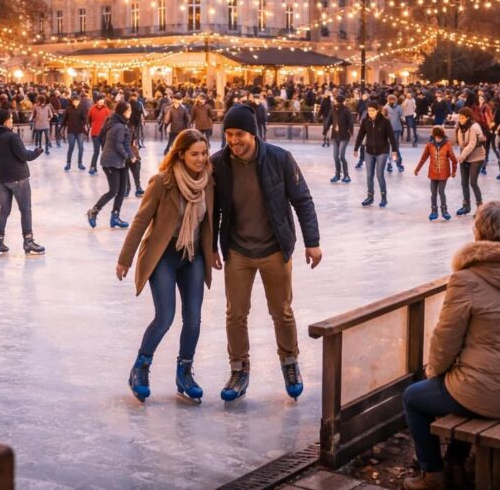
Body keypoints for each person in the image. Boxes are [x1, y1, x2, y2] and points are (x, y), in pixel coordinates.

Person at [402, 202, 500, 490]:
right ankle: (456, 459)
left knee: (414, 397)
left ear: (480, 233)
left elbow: (445, 340)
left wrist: (435, 372)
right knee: (463, 381)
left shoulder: (466, 279)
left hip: (490, 395)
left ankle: (432, 474)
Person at [212, 103, 322, 402]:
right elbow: (212, 212)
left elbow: (303, 200)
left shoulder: (279, 158)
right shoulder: (218, 164)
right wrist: (211, 247)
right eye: (229, 134)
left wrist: (312, 241)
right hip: (238, 251)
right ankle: (239, 369)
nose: (234, 141)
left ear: (254, 133)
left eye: (240, 134)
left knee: (282, 312)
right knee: (235, 314)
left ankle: (290, 362)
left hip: (275, 248)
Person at [116, 129, 218, 403]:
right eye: (194, 154)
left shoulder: (208, 182)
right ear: (181, 154)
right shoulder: (163, 182)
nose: (200, 159)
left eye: (204, 153)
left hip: (193, 255)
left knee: (193, 319)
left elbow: (211, 224)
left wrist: (213, 251)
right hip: (164, 255)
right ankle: (140, 367)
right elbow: (140, 220)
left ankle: (184, 372)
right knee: (165, 317)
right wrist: (125, 258)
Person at [0, 108, 46, 256]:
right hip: (18, 178)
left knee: (4, 210)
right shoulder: (12, 137)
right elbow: (24, 156)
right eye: (10, 118)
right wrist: (37, 151)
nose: (12, 120)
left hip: (0, 180)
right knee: (25, 209)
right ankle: (28, 242)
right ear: (6, 121)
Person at [87, 101, 135, 229]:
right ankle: (93, 211)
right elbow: (118, 145)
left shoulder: (121, 123)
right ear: (123, 112)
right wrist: (128, 156)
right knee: (114, 190)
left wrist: (131, 156)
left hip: (120, 162)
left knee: (122, 190)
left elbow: (126, 144)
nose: (131, 112)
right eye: (129, 110)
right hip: (111, 162)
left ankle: (115, 216)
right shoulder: (118, 125)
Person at [353, 102, 398, 208]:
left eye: (372, 110)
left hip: (382, 151)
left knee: (379, 175)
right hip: (369, 151)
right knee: (369, 175)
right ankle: (370, 197)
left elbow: (392, 137)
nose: (370, 113)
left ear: (377, 110)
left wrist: (394, 151)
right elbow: (360, 135)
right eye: (369, 110)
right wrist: (356, 148)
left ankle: (383, 198)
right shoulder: (365, 121)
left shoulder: (385, 122)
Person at [415, 126, 457, 222]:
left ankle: (444, 210)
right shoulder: (429, 145)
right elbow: (423, 158)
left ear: (442, 135)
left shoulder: (447, 145)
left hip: (443, 173)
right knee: (433, 193)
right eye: (436, 136)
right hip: (433, 173)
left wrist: (454, 171)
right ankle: (434, 211)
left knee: (441, 192)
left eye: (439, 136)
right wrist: (417, 169)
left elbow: (454, 160)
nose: (437, 139)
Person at [454, 108, 486, 216]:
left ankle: (480, 207)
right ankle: (466, 206)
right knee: (464, 182)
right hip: (466, 157)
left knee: (473, 182)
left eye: (462, 118)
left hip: (477, 157)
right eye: (459, 117)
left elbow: (472, 144)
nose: (460, 120)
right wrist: (462, 156)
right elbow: (462, 144)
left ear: (468, 118)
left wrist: (462, 156)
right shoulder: (459, 128)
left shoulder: (474, 127)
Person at [328, 95, 354, 184]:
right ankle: (337, 174)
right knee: (335, 156)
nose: (335, 103)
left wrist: (351, 131)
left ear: (341, 102)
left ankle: (346, 175)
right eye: (335, 101)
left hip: (344, 136)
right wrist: (325, 129)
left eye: (336, 101)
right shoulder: (333, 110)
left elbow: (350, 122)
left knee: (341, 156)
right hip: (335, 136)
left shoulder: (346, 110)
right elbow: (329, 120)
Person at [87, 96, 111, 175]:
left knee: (105, 151)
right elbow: (89, 119)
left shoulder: (106, 109)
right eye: (100, 100)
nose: (101, 102)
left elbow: (110, 120)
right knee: (96, 151)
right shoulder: (92, 109)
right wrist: (92, 126)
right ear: (97, 101)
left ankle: (107, 167)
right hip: (95, 133)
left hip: (104, 134)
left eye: (102, 100)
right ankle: (93, 167)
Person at [63, 95, 87, 171]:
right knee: (71, 147)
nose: (76, 102)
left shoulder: (81, 109)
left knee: (81, 148)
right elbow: (64, 119)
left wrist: (84, 124)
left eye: (77, 101)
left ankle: (80, 163)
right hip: (71, 131)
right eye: (75, 101)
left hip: (79, 131)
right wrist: (63, 127)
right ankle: (68, 163)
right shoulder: (68, 109)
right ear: (72, 102)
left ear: (79, 102)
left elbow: (84, 119)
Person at [384, 95, 405, 173]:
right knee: (389, 147)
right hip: (388, 129)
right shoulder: (385, 107)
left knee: (395, 147)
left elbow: (401, 115)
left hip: (396, 129)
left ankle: (398, 163)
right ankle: (390, 163)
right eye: (390, 99)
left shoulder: (399, 107)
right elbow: (383, 117)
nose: (392, 101)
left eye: (393, 100)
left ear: (396, 100)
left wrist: (403, 118)